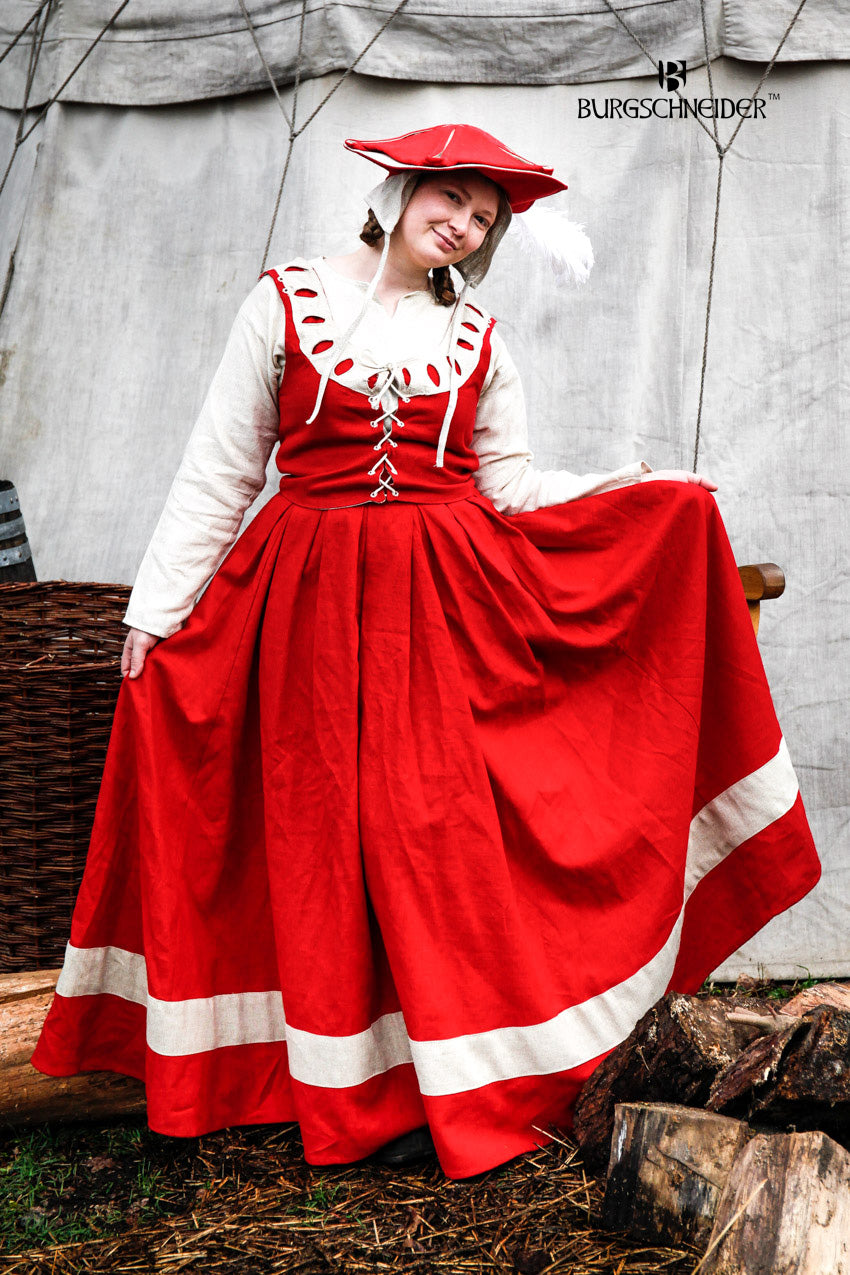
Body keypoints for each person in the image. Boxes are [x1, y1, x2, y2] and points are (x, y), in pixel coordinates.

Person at [30, 124, 821, 1179]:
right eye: (450, 200)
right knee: (321, 839)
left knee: (423, 840)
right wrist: (157, 615)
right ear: (401, 191)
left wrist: (634, 489)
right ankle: (318, 1076)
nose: (460, 224)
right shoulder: (287, 301)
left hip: (444, 614)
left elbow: (512, 487)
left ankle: (434, 1073)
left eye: (483, 219)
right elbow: (218, 470)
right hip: (303, 606)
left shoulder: (479, 341)